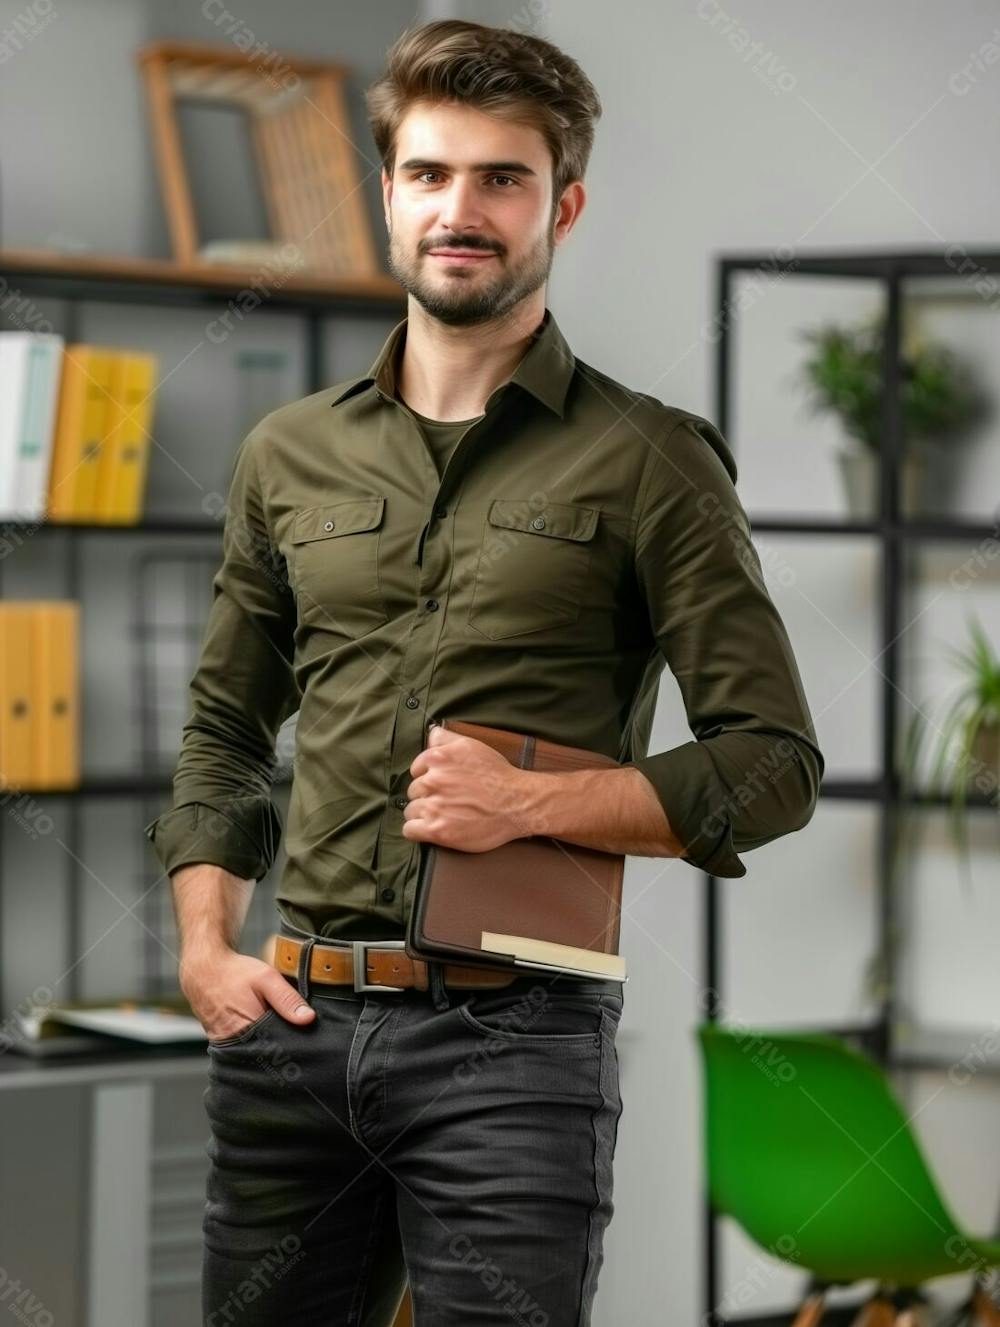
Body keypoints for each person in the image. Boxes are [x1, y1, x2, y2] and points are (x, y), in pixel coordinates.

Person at [144, 18, 824, 1326]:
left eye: (503, 178)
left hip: (514, 1050)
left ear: (563, 202)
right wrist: (202, 948)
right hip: (286, 1034)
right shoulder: (287, 456)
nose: (463, 210)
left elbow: (773, 762)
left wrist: (533, 805)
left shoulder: (649, 458)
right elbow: (227, 723)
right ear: (388, 193)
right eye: (431, 174)